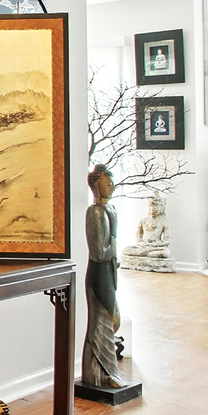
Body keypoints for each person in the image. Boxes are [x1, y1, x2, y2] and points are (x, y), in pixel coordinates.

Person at [84, 165, 125, 388]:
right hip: (99, 272)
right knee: (101, 320)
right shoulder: (96, 212)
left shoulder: (109, 210)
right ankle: (102, 372)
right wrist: (113, 249)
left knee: (111, 319)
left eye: (112, 182)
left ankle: (106, 372)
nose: (112, 186)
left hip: (109, 270)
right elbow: (99, 252)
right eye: (107, 183)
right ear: (96, 186)